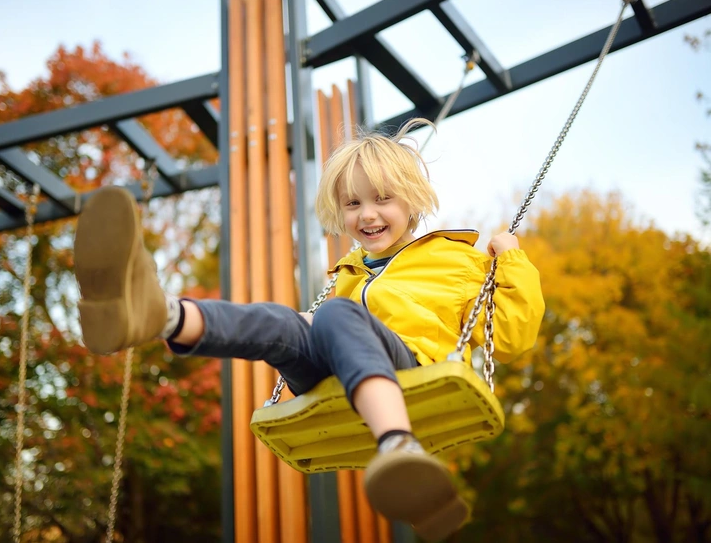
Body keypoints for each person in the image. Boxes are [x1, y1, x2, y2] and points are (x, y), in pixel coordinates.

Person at [74, 118, 544, 542]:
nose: (367, 215)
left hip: (411, 375)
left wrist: (512, 261)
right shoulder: (347, 273)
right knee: (284, 321)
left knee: (335, 317)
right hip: (333, 378)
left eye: (383, 199)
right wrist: (309, 324)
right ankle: (159, 315)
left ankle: (400, 444)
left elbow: (512, 339)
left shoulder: (457, 260)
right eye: (353, 203)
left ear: (413, 200)